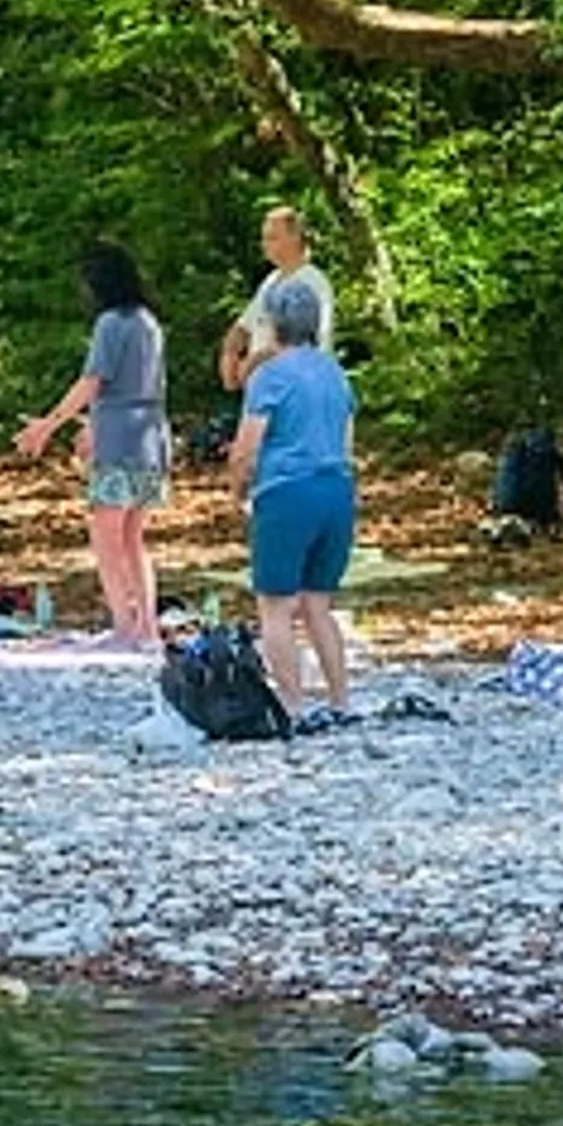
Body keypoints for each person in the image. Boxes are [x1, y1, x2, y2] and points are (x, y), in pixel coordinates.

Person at [13, 242, 170, 648]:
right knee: (134, 537)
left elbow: (93, 381)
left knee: (105, 532)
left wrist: (50, 423)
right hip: (151, 435)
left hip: (120, 440)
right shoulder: (148, 322)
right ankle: (147, 626)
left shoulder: (110, 324)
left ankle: (123, 624)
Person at [227, 276, 358, 731]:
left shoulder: (270, 376)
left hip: (287, 491)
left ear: (273, 325)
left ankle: (292, 704)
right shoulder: (334, 373)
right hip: (337, 491)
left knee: (276, 605)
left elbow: (247, 446)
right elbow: (346, 440)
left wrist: (237, 488)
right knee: (318, 603)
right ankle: (341, 701)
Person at [219, 205, 335, 392]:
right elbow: (244, 326)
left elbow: (300, 345)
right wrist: (229, 352)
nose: (264, 244)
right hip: (267, 391)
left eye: (272, 238)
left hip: (299, 389)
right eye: (263, 238)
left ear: (295, 238)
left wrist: (251, 364)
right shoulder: (271, 281)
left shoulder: (313, 283)